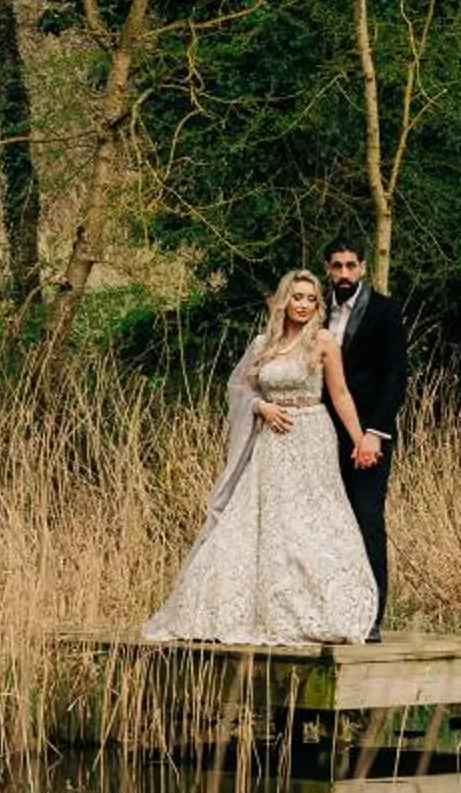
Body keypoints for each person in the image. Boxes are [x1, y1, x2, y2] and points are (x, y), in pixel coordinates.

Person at [142, 269, 379, 645]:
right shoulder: (262, 344)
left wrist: (359, 440)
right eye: (297, 297)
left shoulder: (322, 341)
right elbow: (239, 389)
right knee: (268, 519)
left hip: (311, 435)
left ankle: (322, 606)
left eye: (311, 299)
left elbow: (340, 394)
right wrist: (260, 406)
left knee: (311, 518)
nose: (304, 305)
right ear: (283, 301)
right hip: (271, 442)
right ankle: (254, 607)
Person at [323, 241, 405, 641]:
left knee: (367, 519)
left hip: (370, 437)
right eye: (337, 266)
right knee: (326, 524)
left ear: (363, 268)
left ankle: (371, 615)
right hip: (320, 435)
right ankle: (331, 612)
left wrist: (374, 433)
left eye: (350, 266)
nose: (344, 273)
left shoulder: (385, 311)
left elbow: (395, 375)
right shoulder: (314, 310)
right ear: (327, 269)